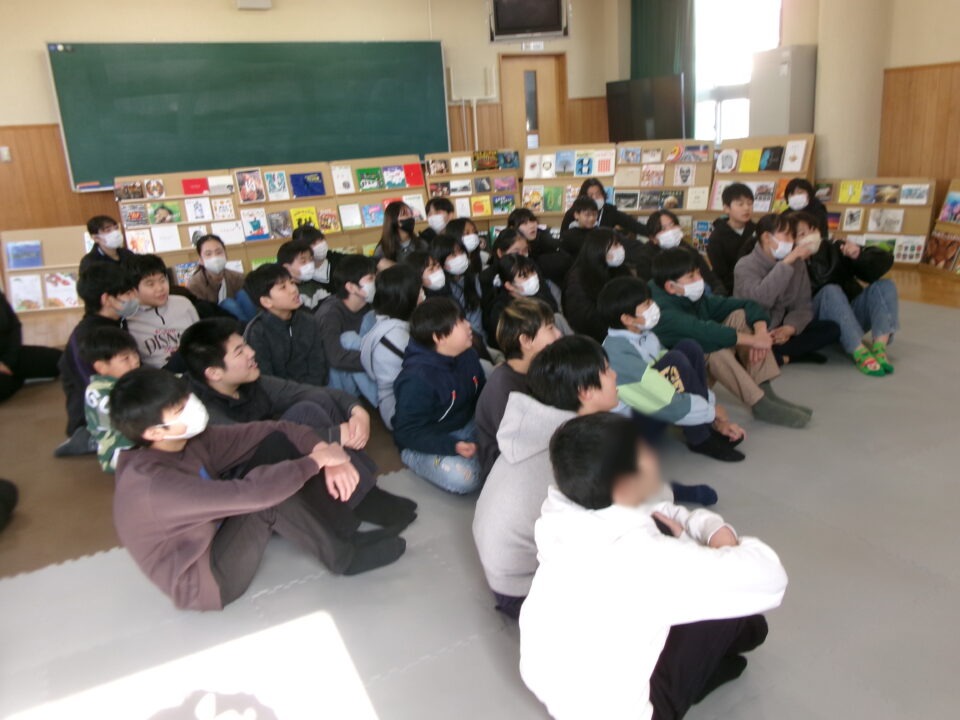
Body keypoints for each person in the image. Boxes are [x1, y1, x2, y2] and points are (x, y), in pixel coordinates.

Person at [518, 413, 788, 720]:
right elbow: (771, 577)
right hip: (622, 713)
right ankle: (696, 680)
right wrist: (720, 541)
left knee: (711, 600)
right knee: (750, 624)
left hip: (556, 687)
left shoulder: (566, 512)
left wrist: (707, 526)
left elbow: (659, 509)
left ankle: (701, 670)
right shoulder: (646, 559)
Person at [109, 368, 408, 611]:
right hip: (205, 578)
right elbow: (252, 495)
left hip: (215, 526)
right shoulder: (153, 488)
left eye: (187, 399)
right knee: (267, 498)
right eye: (179, 409)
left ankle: (346, 532)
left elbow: (274, 429)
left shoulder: (188, 441)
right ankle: (344, 558)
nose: (192, 408)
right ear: (154, 432)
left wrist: (322, 449)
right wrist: (318, 461)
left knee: (277, 447)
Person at [651, 248, 812, 428]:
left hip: (694, 368)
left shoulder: (687, 295)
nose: (699, 279)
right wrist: (755, 341)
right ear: (670, 286)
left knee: (740, 316)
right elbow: (703, 332)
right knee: (712, 349)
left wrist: (760, 332)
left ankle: (766, 394)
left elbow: (747, 305)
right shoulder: (660, 310)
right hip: (675, 386)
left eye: (698, 273)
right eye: (691, 277)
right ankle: (759, 403)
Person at [599, 277, 746, 462]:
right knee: (676, 359)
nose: (653, 306)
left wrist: (714, 417)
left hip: (653, 406)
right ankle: (700, 438)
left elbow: (676, 376)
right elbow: (658, 393)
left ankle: (705, 428)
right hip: (632, 426)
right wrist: (711, 412)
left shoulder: (644, 335)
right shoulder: (617, 353)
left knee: (689, 348)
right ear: (627, 318)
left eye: (650, 300)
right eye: (646, 304)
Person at [392, 297, 485, 494]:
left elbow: (482, 393)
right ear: (439, 337)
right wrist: (453, 446)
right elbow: (406, 432)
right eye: (460, 322)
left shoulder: (467, 353)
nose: (468, 325)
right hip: (428, 439)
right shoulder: (417, 380)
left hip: (465, 422)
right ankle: (418, 461)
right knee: (465, 479)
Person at [55, 263, 139, 456]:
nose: (135, 297)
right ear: (107, 299)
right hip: (94, 415)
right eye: (127, 293)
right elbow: (97, 390)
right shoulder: (89, 338)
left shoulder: (114, 322)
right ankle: (87, 438)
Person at [734, 214, 840, 366]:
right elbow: (761, 300)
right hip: (755, 328)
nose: (791, 241)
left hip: (782, 325)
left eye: (792, 235)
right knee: (747, 346)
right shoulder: (745, 265)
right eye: (786, 235)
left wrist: (790, 328)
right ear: (766, 237)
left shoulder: (798, 264)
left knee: (831, 329)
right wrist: (786, 263)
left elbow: (803, 305)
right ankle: (788, 356)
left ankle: (776, 356)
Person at [801, 214, 899, 376]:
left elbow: (881, 264)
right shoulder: (788, 259)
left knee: (885, 285)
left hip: (849, 316)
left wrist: (858, 255)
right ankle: (858, 350)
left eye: (813, 231)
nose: (809, 237)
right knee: (830, 290)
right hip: (817, 322)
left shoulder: (835, 248)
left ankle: (879, 347)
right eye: (802, 234)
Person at [475, 298, 561, 482]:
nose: (559, 334)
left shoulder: (540, 369)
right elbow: (516, 446)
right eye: (550, 328)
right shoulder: (503, 387)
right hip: (506, 469)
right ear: (526, 340)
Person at [243, 264, 329, 386]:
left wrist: (312, 391)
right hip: (280, 393)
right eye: (283, 287)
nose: (294, 289)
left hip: (314, 389)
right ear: (266, 301)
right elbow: (266, 378)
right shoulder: (256, 332)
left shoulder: (308, 321)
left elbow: (318, 364)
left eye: (292, 283)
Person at [359, 264, 422, 429]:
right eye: (419, 289)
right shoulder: (393, 335)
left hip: (413, 393)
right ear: (406, 296)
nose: (423, 293)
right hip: (399, 407)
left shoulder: (398, 322)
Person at [314, 254, 378, 403]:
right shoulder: (330, 313)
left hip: (360, 374)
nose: (376, 282)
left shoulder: (369, 306)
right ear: (351, 287)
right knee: (348, 339)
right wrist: (378, 359)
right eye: (370, 279)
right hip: (334, 381)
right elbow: (335, 357)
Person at [80, 326, 141, 472]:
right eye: (125, 358)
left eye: (135, 353)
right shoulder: (98, 391)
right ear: (102, 367)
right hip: (118, 453)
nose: (135, 361)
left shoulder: (131, 378)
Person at [125, 254, 200, 370]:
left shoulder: (184, 304)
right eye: (150, 284)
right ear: (133, 289)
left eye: (162, 280)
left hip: (196, 369)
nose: (160, 288)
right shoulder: (129, 320)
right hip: (161, 376)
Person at [563, 228, 633, 342]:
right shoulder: (580, 278)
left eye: (619, 244)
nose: (621, 248)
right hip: (599, 337)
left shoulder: (620, 269)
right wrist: (619, 328)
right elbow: (585, 319)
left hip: (627, 327)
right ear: (598, 249)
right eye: (615, 245)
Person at [638, 210, 726, 294]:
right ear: (653, 238)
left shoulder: (687, 249)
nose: (670, 231)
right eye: (663, 229)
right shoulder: (645, 257)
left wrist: (718, 293)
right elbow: (649, 291)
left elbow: (710, 277)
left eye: (672, 225)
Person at [482, 254, 558, 349]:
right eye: (524, 276)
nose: (532, 278)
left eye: (532, 272)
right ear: (509, 285)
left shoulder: (539, 294)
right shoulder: (501, 311)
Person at [0, 288, 61, 404]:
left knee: (59, 360)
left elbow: (15, 325)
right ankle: (17, 378)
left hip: (10, 354)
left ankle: (14, 375)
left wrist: (8, 361)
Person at [427, 234, 485, 341]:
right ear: (440, 260)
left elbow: (476, 315)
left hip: (478, 338)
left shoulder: (472, 278)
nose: (459, 257)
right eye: (453, 254)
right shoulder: (438, 286)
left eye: (461, 252)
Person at [707, 183, 758, 295]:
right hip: (730, 289)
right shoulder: (716, 238)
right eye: (740, 204)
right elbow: (721, 273)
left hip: (757, 284)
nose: (746, 208)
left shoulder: (758, 231)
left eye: (750, 203)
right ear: (726, 209)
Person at [508, 207, 572, 288]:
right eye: (525, 223)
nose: (531, 226)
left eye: (532, 221)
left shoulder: (546, 241)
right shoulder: (510, 246)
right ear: (513, 228)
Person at [560, 178, 647, 237]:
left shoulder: (610, 211)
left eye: (598, 194)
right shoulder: (573, 213)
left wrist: (651, 233)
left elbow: (632, 223)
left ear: (603, 194)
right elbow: (563, 236)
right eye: (591, 195)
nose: (595, 198)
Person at [186, 234, 245, 305]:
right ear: (201, 260)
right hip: (211, 312)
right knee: (228, 304)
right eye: (208, 254)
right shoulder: (195, 285)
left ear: (226, 255)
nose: (215, 257)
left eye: (219, 252)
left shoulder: (238, 278)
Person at [293, 225, 345, 303]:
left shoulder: (341, 261)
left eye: (321, 240)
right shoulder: (302, 275)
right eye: (313, 243)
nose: (320, 245)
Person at [373, 201, 427, 268]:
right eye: (405, 214)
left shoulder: (422, 244)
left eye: (411, 214)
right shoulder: (382, 250)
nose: (410, 217)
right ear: (393, 220)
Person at [278, 239, 328, 311]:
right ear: (286, 267)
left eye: (311, 260)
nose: (310, 264)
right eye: (303, 261)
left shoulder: (315, 285)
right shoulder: (286, 293)